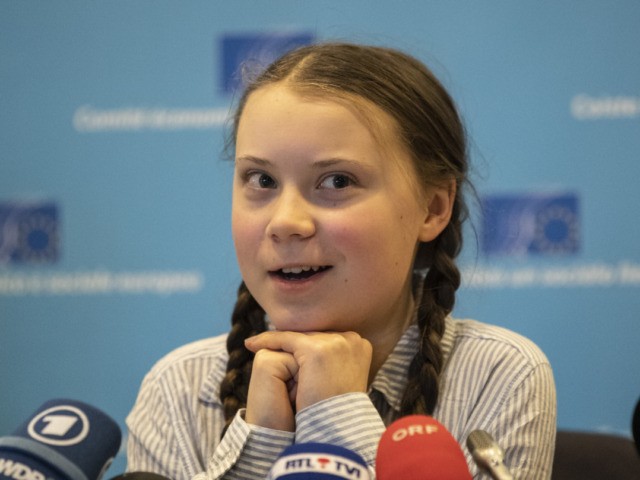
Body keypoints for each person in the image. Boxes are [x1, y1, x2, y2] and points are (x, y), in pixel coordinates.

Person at [126, 42, 556, 479]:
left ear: (432, 208)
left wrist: (338, 414)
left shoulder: (500, 375)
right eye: (262, 179)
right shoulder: (179, 387)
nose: (286, 222)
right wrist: (260, 442)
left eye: (336, 181)